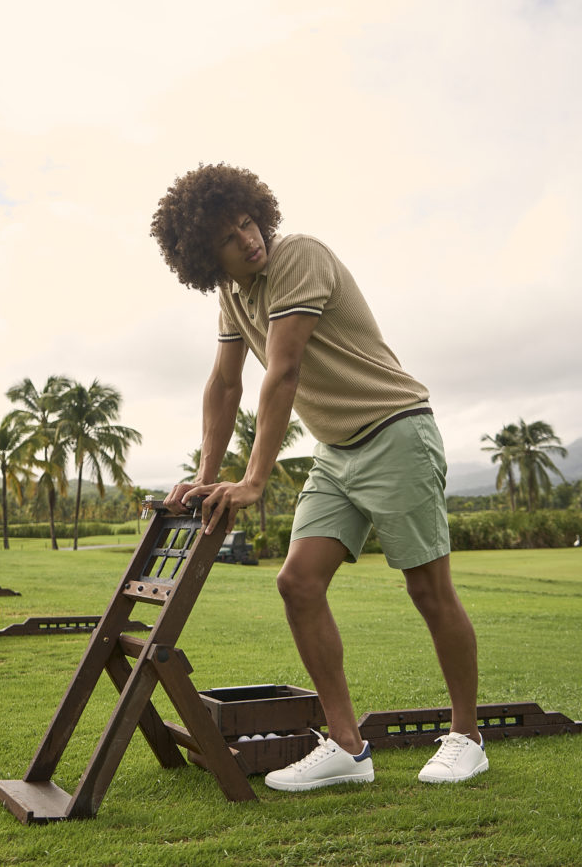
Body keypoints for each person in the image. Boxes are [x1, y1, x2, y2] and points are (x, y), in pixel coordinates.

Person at [151, 163, 489, 790]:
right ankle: (346, 747)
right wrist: (205, 476)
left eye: (248, 222)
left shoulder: (298, 256)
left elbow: (283, 370)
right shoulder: (233, 294)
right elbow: (226, 383)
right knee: (298, 583)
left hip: (395, 430)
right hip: (337, 452)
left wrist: (253, 480)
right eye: (229, 236)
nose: (248, 239)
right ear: (205, 253)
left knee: (428, 590)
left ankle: (467, 737)